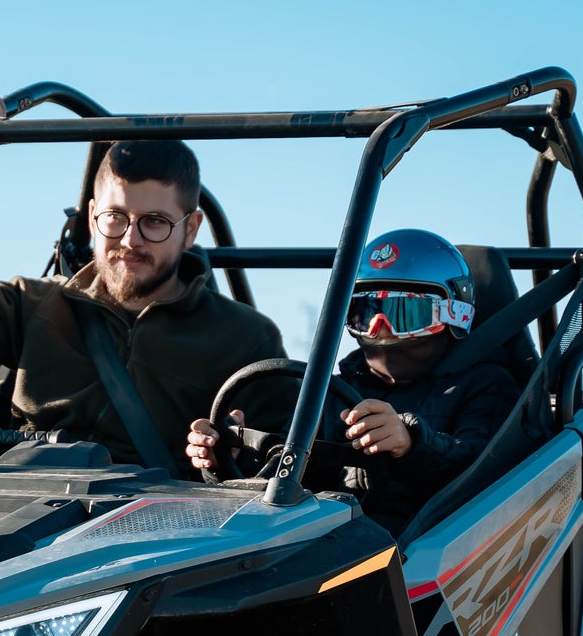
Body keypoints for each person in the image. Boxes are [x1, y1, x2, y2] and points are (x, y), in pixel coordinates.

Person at [0, 91, 290, 473]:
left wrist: (230, 454)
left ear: (191, 228)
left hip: (162, 532)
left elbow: (286, 470)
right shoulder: (35, 306)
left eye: (155, 222)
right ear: (93, 216)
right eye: (115, 218)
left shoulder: (245, 339)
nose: (130, 240)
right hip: (19, 513)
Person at [186, 229, 522, 535]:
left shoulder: (487, 384)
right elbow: (284, 481)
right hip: (333, 544)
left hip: (428, 555)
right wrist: (228, 459)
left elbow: (484, 477)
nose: (380, 328)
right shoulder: (331, 391)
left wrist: (411, 444)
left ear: (454, 314)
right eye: (366, 312)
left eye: (404, 314)